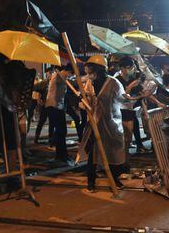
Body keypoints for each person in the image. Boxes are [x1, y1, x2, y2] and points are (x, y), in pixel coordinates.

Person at [82, 55, 142, 192]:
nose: (90, 72)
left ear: (100, 69)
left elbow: (123, 99)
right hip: (95, 123)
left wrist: (138, 97)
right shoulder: (89, 83)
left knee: (113, 151)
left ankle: (114, 178)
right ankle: (91, 181)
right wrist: (84, 103)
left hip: (111, 124)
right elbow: (85, 101)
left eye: (92, 69)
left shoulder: (113, 82)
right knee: (93, 152)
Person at [45, 64, 74, 164]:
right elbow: (71, 81)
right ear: (68, 71)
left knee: (61, 131)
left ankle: (61, 154)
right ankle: (61, 155)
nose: (71, 76)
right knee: (61, 131)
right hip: (54, 107)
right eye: (71, 74)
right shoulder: (59, 76)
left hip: (57, 107)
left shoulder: (61, 77)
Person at [33, 67, 53, 144]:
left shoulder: (55, 82)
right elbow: (35, 88)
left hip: (52, 105)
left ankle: (51, 139)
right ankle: (36, 137)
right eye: (47, 74)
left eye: (50, 74)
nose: (49, 76)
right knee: (41, 121)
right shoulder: (44, 83)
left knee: (52, 122)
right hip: (45, 105)